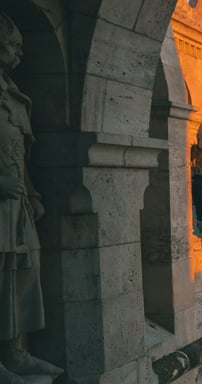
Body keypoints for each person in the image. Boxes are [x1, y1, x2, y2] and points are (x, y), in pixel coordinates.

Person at [0, 13, 62, 381]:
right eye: (12, 44)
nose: (20, 51)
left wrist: (34, 194)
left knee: (23, 275)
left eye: (22, 46)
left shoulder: (16, 99)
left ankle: (16, 352)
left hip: (18, 208)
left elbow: (22, 158)